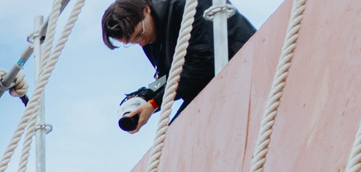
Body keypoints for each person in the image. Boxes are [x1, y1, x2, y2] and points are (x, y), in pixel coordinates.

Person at [104, 0, 255, 133]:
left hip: (244, 68)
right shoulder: (149, 37)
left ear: (146, 10)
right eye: (132, 42)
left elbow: (204, 62)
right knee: (169, 140)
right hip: (210, 83)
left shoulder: (187, 5)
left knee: (177, 136)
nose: (141, 43)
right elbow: (166, 77)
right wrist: (147, 93)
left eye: (139, 34)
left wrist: (154, 103)